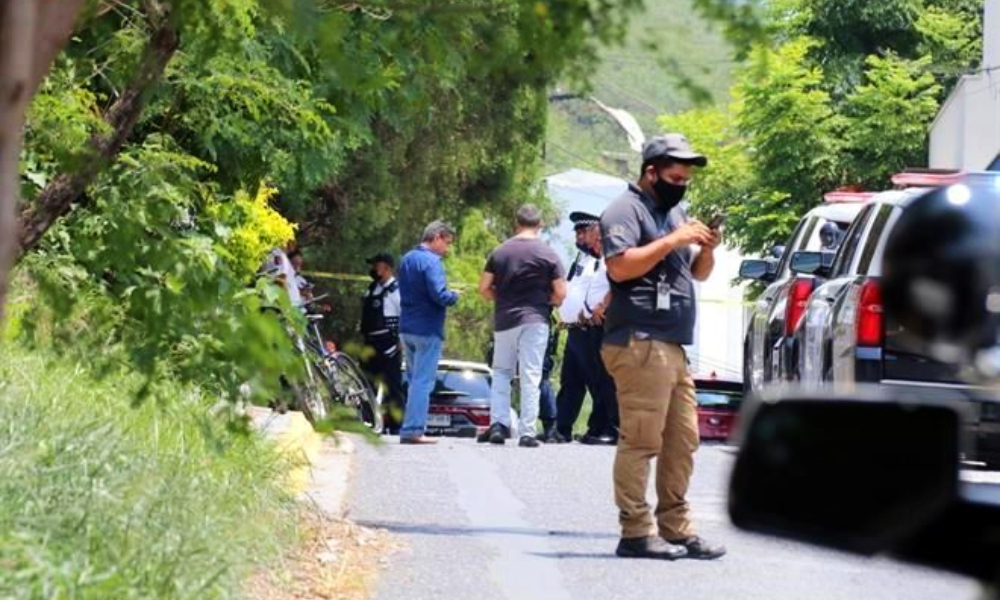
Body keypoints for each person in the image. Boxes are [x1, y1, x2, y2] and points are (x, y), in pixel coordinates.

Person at [600, 133, 726, 560]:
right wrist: (674, 240)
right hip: (638, 339)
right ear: (651, 172)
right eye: (675, 177)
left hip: (671, 345)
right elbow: (619, 268)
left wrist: (706, 249)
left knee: (682, 440)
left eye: (687, 178)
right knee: (641, 440)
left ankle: (675, 527)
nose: (682, 184)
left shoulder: (674, 212)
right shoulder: (624, 210)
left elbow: (699, 274)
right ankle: (635, 531)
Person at [478, 204, 567, 447]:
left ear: (516, 223)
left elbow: (484, 288)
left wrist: (503, 298)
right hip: (536, 320)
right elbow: (561, 293)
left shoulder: (500, 252)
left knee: (502, 373)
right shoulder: (549, 254)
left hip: (505, 320)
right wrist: (545, 301)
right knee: (531, 375)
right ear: (540, 225)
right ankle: (527, 432)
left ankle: (498, 425)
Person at [554, 211, 619, 446]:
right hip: (575, 326)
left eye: (585, 233)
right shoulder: (581, 260)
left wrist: (597, 309)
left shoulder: (603, 258)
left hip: (595, 326)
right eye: (578, 233)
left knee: (600, 381)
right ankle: (561, 428)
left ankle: (603, 427)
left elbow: (609, 287)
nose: (580, 238)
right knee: (571, 380)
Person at [397, 221, 460, 445]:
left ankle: (409, 426)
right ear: (437, 237)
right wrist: (453, 295)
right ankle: (413, 429)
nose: (447, 249)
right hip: (427, 329)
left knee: (414, 380)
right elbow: (439, 295)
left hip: (407, 327)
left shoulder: (406, 259)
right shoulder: (432, 262)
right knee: (423, 381)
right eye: (447, 243)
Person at [360, 252, 404, 433]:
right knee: (366, 384)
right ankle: (367, 422)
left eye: (376, 266)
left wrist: (401, 341)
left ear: (386, 267)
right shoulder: (372, 288)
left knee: (392, 387)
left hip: (389, 344)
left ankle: (395, 427)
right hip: (370, 343)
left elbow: (405, 316)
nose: (373, 270)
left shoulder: (397, 290)